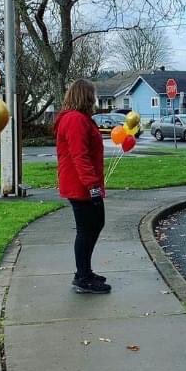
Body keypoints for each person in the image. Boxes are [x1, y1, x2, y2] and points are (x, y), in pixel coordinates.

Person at [54, 79, 111, 295]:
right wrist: (93, 187)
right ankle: (82, 276)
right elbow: (80, 156)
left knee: (94, 226)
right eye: (93, 96)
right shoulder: (75, 120)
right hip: (81, 186)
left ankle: (85, 272)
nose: (95, 100)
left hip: (82, 184)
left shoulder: (80, 119)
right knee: (87, 229)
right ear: (85, 97)